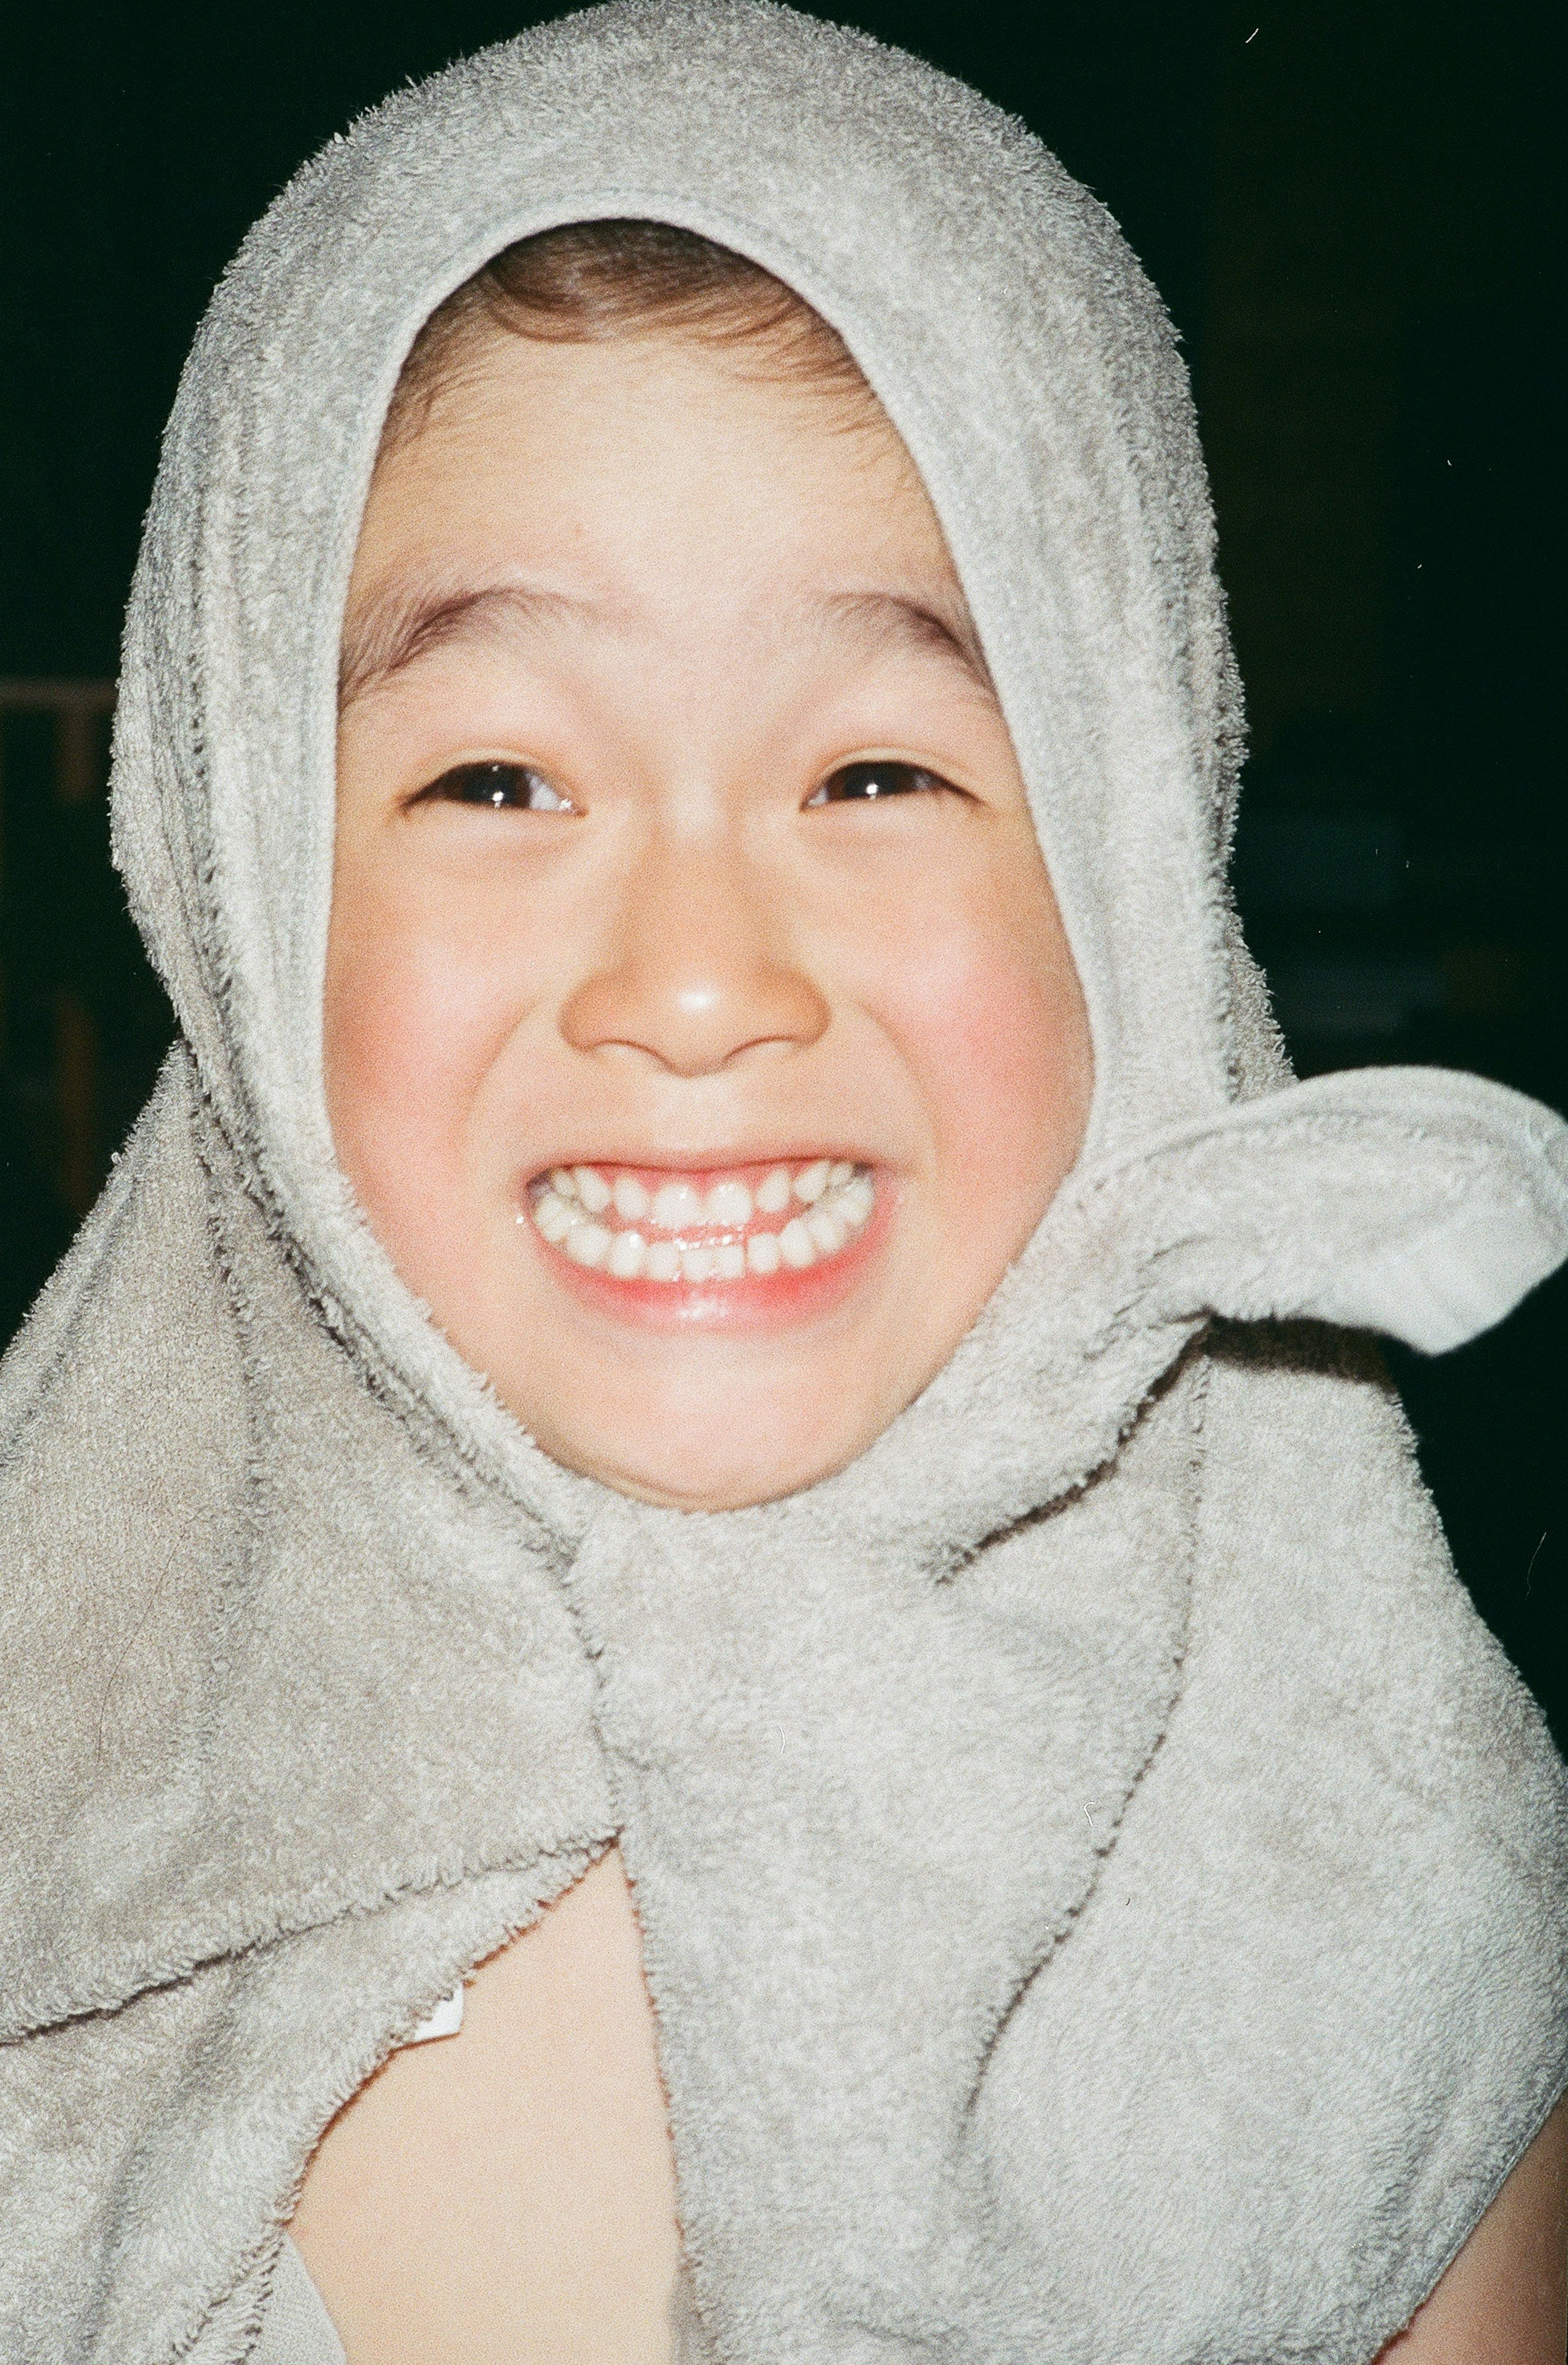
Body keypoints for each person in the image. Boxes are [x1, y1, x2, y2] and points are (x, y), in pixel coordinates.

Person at [1, 6, 1564, 2360]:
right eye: (501, 782)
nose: (704, 980)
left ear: (1136, 869)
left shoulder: (1386, 1919)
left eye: (876, 776)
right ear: (234, 882)